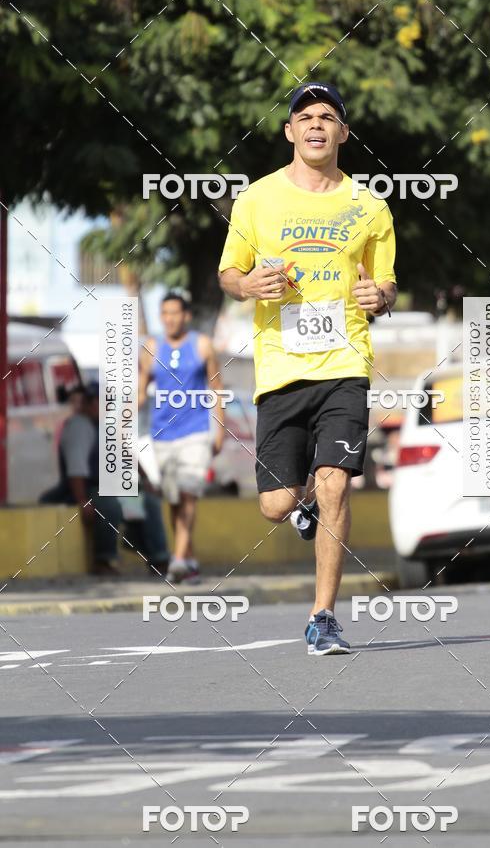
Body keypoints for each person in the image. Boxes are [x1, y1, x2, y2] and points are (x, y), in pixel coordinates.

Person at [218, 82, 397, 655]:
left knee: (336, 483)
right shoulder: (257, 201)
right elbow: (229, 273)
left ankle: (323, 616)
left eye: (328, 117)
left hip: (346, 364)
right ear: (290, 131)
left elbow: (386, 282)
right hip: (279, 370)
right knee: (276, 504)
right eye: (305, 116)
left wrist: (381, 298)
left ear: (343, 132)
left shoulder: (369, 207)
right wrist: (246, 284)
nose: (316, 125)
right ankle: (303, 511)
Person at [138, 291, 225, 583]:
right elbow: (140, 390)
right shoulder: (152, 347)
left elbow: (216, 388)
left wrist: (220, 429)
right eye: (164, 313)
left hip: (195, 431)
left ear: (185, 315)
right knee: (174, 501)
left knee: (188, 495)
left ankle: (176, 561)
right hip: (162, 434)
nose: (169, 319)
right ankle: (189, 561)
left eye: (174, 312)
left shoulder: (201, 345)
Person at [41, 382, 123, 576]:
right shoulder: (79, 426)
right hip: (82, 487)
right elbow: (76, 469)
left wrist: (146, 482)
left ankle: (158, 557)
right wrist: (82, 501)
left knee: (145, 501)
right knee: (109, 506)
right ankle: (103, 560)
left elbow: (124, 454)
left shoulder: (101, 426)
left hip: (103, 484)